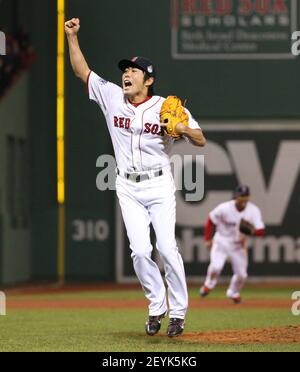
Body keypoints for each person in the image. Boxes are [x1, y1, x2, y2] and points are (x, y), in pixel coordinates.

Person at [65, 18, 206, 337]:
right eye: (124, 70)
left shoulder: (166, 107)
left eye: (133, 70)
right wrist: (72, 38)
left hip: (159, 185)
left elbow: (201, 139)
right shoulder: (112, 96)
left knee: (167, 248)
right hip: (127, 185)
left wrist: (181, 128)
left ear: (149, 78)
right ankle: (157, 307)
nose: (126, 74)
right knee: (141, 251)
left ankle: (179, 313)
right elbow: (81, 72)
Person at [200, 185, 265, 303]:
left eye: (246, 197)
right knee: (216, 266)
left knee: (242, 275)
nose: (244, 200)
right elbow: (210, 220)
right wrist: (208, 239)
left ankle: (233, 292)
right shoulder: (224, 208)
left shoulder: (253, 210)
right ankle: (208, 285)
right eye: (241, 197)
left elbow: (261, 231)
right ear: (236, 196)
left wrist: (253, 231)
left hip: (238, 245)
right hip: (221, 242)